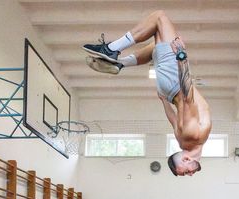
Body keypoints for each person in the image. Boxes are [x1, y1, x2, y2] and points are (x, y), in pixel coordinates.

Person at [82, 10, 212, 176]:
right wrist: (163, 100)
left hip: (175, 81)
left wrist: (182, 57)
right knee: (155, 47)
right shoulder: (182, 141)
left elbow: (187, 98)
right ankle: (120, 64)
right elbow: (173, 119)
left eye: (186, 172)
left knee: (159, 17)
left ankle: (110, 49)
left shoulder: (194, 135)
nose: (191, 174)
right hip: (168, 91)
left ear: (186, 159)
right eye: (187, 173)